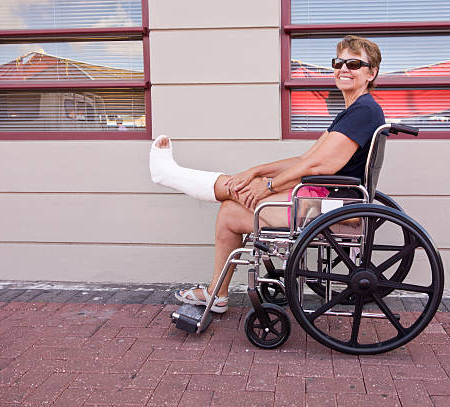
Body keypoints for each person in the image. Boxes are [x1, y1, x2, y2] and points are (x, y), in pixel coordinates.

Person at [149, 35, 385, 313]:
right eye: (339, 62)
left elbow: (318, 167)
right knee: (238, 198)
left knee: (230, 212)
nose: (344, 68)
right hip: (322, 197)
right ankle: (217, 292)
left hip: (331, 206)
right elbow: (305, 159)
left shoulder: (363, 112)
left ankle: (170, 177)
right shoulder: (352, 112)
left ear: (371, 73)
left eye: (354, 63)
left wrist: (269, 186)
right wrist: (256, 172)